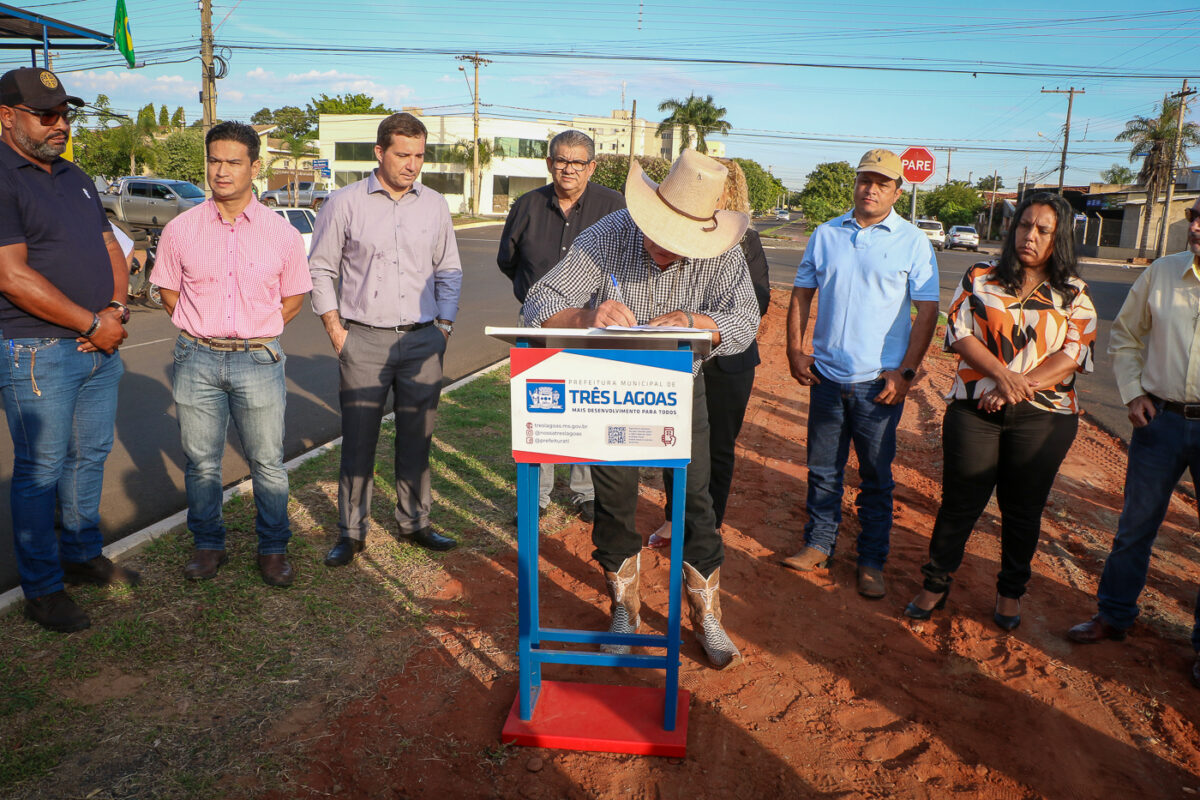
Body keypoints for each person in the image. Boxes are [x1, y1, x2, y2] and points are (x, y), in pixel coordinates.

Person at [523, 149, 760, 669]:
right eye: (657, 235)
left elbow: (745, 319)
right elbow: (538, 301)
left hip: (683, 386)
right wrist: (587, 312)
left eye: (678, 245)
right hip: (608, 386)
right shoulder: (608, 233)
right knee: (613, 498)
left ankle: (706, 613)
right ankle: (624, 607)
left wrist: (701, 323)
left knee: (694, 499)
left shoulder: (721, 250)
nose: (664, 251)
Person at [904, 192, 1096, 629]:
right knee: (959, 503)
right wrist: (1001, 377)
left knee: (1022, 510)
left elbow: (1074, 353)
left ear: (1059, 238)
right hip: (975, 410)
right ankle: (935, 584)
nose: (1030, 235)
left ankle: (1011, 593)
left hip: (1045, 418)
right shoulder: (980, 275)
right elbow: (958, 332)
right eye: (1024, 225)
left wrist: (1015, 388)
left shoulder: (1074, 294)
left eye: (1043, 230)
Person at [0, 67, 134, 632]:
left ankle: (80, 555)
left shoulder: (74, 175)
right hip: (36, 351)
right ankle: (43, 588)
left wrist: (116, 312)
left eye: (65, 114)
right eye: (46, 115)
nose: (60, 125)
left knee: (90, 456)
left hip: (98, 342)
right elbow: (9, 274)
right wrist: (89, 320)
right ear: (8, 117)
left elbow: (111, 246)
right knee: (41, 469)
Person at [154, 121, 312, 587]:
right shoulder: (181, 229)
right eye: (214, 160)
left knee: (267, 462)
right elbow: (167, 291)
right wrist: (204, 330)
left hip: (258, 359)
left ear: (255, 167)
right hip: (195, 357)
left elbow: (294, 298)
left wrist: (255, 332)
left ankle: (273, 547)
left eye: (233, 162)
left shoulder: (279, 234)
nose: (221, 171)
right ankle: (207, 544)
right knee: (201, 461)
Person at [781, 148, 940, 599]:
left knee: (875, 476)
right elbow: (801, 294)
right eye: (865, 179)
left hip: (878, 384)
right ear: (855, 183)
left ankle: (871, 559)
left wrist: (905, 373)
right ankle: (818, 544)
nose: (871, 189)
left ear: (897, 190)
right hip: (828, 378)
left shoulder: (913, 242)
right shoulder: (826, 234)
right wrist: (795, 350)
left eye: (882, 183)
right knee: (823, 470)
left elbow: (927, 312)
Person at [309, 112, 463, 566]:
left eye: (419, 156)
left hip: (422, 339)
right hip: (364, 340)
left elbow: (448, 269)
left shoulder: (434, 204)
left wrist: (445, 327)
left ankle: (415, 522)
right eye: (402, 155)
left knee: (418, 437)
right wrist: (337, 330)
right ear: (380, 153)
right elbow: (321, 268)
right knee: (359, 440)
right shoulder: (344, 202)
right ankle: (351, 532)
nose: (412, 165)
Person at [1067, 195, 1200, 690]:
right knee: (1134, 526)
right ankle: (1114, 616)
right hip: (1160, 422)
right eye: (1194, 215)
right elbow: (1124, 336)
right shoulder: (1162, 273)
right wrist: (1132, 394)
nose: (1196, 224)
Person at [497, 129, 625, 522]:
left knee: (589, 406)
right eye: (561, 160)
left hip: (594, 328)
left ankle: (585, 492)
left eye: (577, 162)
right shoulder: (527, 205)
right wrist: (539, 301)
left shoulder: (614, 206)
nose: (568, 169)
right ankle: (536, 495)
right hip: (540, 326)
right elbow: (509, 260)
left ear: (592, 167)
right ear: (549, 162)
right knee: (540, 408)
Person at [648, 158, 771, 548]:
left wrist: (703, 320)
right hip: (681, 355)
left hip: (729, 361)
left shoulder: (744, 240)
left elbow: (758, 301)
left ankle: (709, 521)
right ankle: (673, 517)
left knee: (718, 445)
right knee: (675, 438)